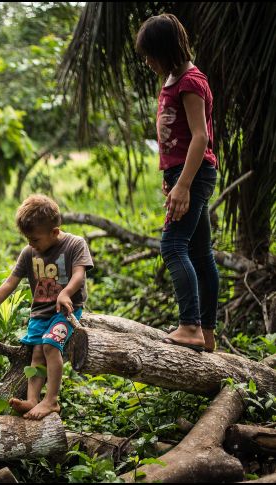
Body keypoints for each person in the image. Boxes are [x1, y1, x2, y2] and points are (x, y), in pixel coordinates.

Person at [137, 13, 219, 352]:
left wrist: (184, 184)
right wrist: (173, 176)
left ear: (166, 50)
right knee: (200, 254)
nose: (147, 62)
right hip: (183, 174)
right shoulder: (173, 78)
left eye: (150, 55)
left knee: (172, 246)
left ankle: (190, 325)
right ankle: (208, 335)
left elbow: (200, 138)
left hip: (194, 174)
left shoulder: (190, 82)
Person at [0, 195, 93, 420]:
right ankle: (32, 399)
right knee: (37, 354)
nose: (30, 244)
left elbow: (79, 274)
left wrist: (65, 293)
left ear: (55, 232)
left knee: (49, 345)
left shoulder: (75, 244)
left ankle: (52, 400)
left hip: (66, 311)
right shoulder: (29, 252)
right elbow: (10, 281)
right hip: (40, 312)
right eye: (27, 239)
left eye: (35, 239)